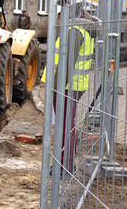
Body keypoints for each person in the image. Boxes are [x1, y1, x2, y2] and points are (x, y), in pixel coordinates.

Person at [41, 18, 95, 175]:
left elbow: (66, 64)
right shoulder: (78, 30)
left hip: (66, 87)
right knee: (66, 123)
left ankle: (65, 165)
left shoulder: (74, 32)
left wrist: (56, 88)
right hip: (70, 86)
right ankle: (65, 162)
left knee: (64, 125)